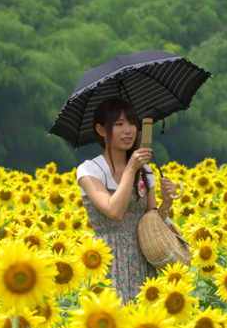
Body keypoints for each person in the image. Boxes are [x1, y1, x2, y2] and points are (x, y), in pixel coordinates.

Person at [76, 99, 177, 302]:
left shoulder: (145, 171)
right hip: (108, 260)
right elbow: (114, 211)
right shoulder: (90, 170)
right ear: (101, 130)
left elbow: (151, 220)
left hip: (143, 257)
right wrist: (131, 168)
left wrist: (166, 203)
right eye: (119, 124)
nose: (128, 130)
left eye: (132, 123)